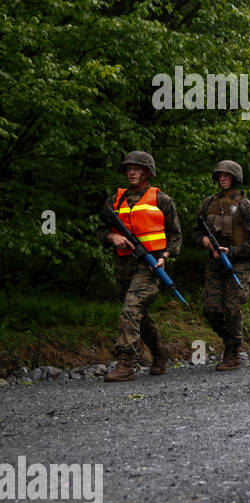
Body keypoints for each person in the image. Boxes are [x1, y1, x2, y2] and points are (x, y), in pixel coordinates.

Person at [99, 151, 183, 382]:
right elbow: (101, 230)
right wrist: (111, 238)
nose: (132, 172)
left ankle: (126, 364)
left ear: (147, 172)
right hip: (123, 266)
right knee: (139, 314)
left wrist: (165, 256)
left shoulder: (161, 199)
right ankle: (159, 353)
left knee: (131, 310)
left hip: (150, 266)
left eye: (137, 168)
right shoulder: (115, 200)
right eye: (129, 168)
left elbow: (175, 235)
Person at [195, 160, 250, 371]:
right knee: (210, 309)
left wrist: (232, 251)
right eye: (220, 175)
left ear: (235, 178)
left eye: (227, 175)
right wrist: (204, 241)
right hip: (215, 264)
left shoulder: (245, 205)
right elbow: (195, 231)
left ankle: (232, 352)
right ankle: (232, 340)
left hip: (238, 264)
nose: (223, 178)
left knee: (233, 307)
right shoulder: (209, 203)